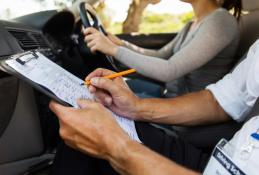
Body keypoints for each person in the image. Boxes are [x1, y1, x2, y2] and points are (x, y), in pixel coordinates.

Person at [49, 39, 259, 175]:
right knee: (87, 125)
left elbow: (170, 67)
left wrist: (117, 147)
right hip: (220, 161)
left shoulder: (220, 21)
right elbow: (221, 100)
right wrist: (136, 107)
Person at [82, 0, 242, 97]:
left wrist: (113, 49)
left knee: (101, 97)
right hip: (169, 94)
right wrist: (120, 44)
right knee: (103, 89)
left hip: (185, 113)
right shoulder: (191, 24)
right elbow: (161, 55)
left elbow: (169, 70)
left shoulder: (221, 21)